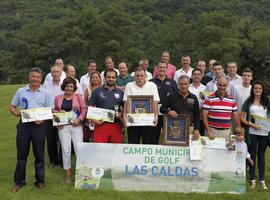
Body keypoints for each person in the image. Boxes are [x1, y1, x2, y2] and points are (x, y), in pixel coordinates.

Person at [9, 67, 53, 192]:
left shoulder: (46, 93)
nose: (35, 79)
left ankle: (40, 181)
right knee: (22, 155)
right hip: (24, 126)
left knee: (39, 155)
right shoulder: (21, 91)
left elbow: (49, 111)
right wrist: (16, 113)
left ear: (41, 79)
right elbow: (12, 106)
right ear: (29, 77)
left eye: (37, 77)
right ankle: (19, 181)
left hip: (39, 127)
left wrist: (43, 120)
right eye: (33, 76)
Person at [54, 77, 87, 184]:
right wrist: (59, 112)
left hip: (76, 126)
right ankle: (68, 174)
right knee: (66, 150)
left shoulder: (78, 97)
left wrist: (79, 119)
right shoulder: (58, 97)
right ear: (64, 87)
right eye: (67, 86)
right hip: (63, 128)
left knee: (79, 149)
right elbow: (54, 110)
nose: (69, 88)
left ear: (74, 87)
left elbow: (84, 109)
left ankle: (82, 173)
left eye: (71, 86)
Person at [240, 81, 270, 189]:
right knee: (252, 155)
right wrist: (251, 125)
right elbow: (241, 117)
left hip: (264, 133)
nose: (257, 90)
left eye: (259, 88)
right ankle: (252, 179)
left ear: (262, 90)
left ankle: (261, 179)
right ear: (253, 90)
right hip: (252, 132)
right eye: (255, 88)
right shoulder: (248, 101)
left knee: (261, 156)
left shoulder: (267, 101)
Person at [123, 67, 160, 144]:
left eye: (141, 75)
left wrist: (156, 116)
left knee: (148, 143)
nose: (140, 78)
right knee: (133, 143)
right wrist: (124, 117)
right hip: (132, 120)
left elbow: (155, 102)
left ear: (146, 76)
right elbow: (126, 102)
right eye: (137, 76)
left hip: (148, 120)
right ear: (134, 77)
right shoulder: (129, 85)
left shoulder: (152, 85)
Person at [88, 69, 124, 143]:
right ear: (104, 77)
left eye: (113, 77)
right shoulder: (97, 91)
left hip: (116, 125)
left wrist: (122, 114)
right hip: (101, 125)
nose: (111, 79)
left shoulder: (120, 92)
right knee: (100, 150)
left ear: (116, 78)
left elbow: (124, 108)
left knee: (115, 151)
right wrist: (94, 120)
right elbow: (90, 108)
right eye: (109, 77)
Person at [160, 75, 201, 140]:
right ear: (178, 84)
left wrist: (197, 129)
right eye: (181, 84)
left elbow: (197, 115)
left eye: (185, 84)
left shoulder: (194, 97)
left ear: (189, 84)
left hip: (189, 128)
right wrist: (169, 111)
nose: (183, 86)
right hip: (174, 127)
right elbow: (161, 109)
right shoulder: (172, 96)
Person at [202, 76, 240, 141]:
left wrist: (239, 128)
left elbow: (235, 116)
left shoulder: (232, 99)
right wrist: (208, 130)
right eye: (220, 85)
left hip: (226, 132)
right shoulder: (209, 98)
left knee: (225, 151)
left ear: (227, 86)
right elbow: (204, 115)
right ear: (216, 85)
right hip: (212, 130)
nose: (222, 87)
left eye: (224, 85)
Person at [150, 62, 178, 144]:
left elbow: (176, 98)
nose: (162, 69)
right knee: (154, 137)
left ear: (166, 69)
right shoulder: (151, 82)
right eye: (160, 67)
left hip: (168, 114)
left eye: (164, 67)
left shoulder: (172, 82)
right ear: (157, 69)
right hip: (155, 114)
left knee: (170, 137)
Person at [43, 65, 64, 168]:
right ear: (51, 74)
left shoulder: (64, 84)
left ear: (61, 73)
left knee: (62, 137)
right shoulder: (46, 84)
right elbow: (43, 98)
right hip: (49, 113)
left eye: (57, 72)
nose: (55, 73)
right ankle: (53, 161)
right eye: (54, 72)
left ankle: (62, 160)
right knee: (50, 138)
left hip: (61, 114)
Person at [83, 71, 102, 142]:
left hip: (101, 114)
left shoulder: (103, 88)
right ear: (90, 79)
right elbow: (84, 103)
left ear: (100, 78)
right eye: (93, 77)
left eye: (96, 77)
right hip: (90, 114)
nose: (95, 79)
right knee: (91, 133)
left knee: (100, 132)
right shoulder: (88, 89)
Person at [189, 68, 206, 135]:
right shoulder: (188, 87)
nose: (197, 76)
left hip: (201, 115)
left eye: (199, 74)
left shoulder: (205, 88)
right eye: (195, 74)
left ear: (201, 76)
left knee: (200, 135)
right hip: (190, 114)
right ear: (192, 76)